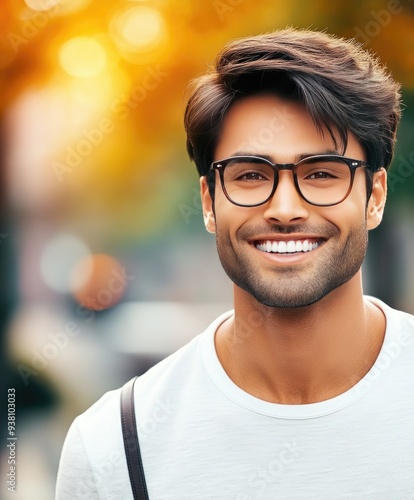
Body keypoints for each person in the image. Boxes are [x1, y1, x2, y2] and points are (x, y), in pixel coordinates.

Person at [55, 28, 414, 499]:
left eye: (322, 173)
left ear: (375, 197)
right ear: (209, 202)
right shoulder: (116, 449)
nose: (285, 209)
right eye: (250, 175)